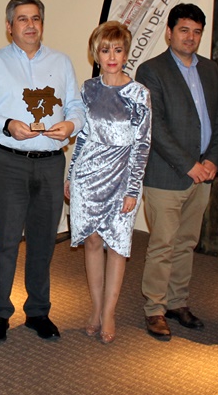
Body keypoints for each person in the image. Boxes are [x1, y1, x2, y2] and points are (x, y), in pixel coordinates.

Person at [0, 0, 84, 342]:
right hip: (9, 162)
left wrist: (71, 125)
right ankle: (0, 313)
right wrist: (6, 125)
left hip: (50, 163)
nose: (30, 25)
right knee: (5, 240)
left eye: (35, 19)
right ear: (9, 26)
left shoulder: (61, 62)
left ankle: (38, 312)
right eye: (22, 19)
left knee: (43, 241)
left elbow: (76, 106)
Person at [136, 3, 218, 341]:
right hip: (167, 175)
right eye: (184, 30)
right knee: (162, 244)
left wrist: (212, 160)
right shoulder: (151, 70)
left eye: (196, 32)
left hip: (203, 174)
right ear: (169, 32)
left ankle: (177, 302)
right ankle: (155, 308)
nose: (190, 37)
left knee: (187, 243)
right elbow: (155, 125)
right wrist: (190, 165)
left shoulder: (210, 70)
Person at [65, 22, 151, 344]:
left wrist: (133, 188)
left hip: (122, 178)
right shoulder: (88, 89)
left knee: (117, 245)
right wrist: (71, 175)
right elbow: (82, 136)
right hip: (87, 175)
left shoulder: (139, 94)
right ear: (96, 54)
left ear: (126, 54)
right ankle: (96, 308)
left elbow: (142, 145)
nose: (111, 56)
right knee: (91, 242)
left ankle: (110, 312)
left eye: (117, 50)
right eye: (105, 50)